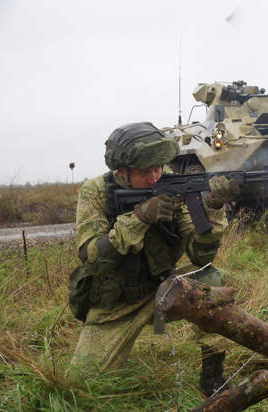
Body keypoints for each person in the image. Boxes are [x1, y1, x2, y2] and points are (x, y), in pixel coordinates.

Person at [68, 122, 239, 395]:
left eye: (158, 167)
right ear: (121, 172)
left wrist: (213, 208)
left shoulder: (171, 182)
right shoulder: (96, 191)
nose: (154, 177)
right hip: (116, 303)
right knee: (82, 386)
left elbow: (200, 255)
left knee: (211, 279)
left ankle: (212, 378)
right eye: (144, 172)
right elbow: (91, 257)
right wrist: (140, 217)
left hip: (163, 289)